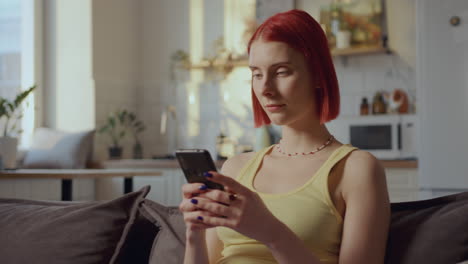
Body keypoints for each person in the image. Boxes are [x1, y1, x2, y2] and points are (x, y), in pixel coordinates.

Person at [179, 9, 390, 264]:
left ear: (317, 75)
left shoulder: (356, 170)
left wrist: (270, 232)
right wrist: (194, 234)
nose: (265, 89)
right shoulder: (236, 168)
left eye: (281, 72)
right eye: (257, 74)